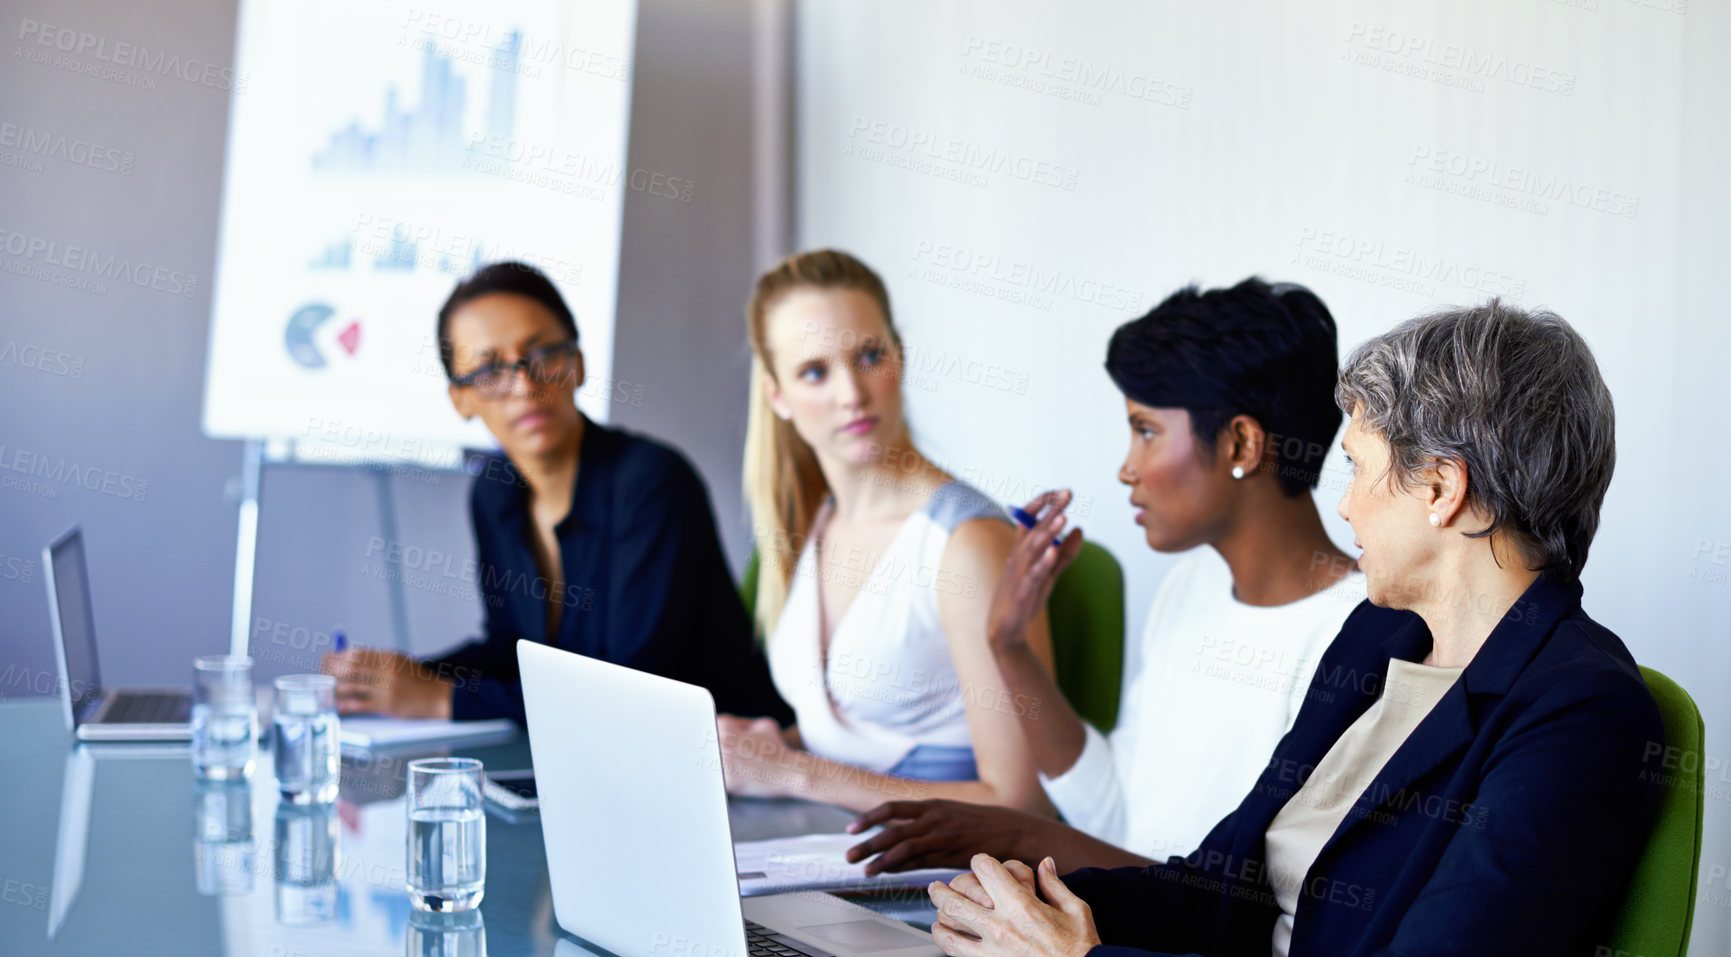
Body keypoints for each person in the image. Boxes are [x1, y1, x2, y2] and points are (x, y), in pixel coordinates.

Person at [923, 301, 1664, 957]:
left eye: (1356, 468)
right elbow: (1221, 887)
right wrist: (1033, 902)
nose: (1341, 505)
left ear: (1440, 487)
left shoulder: (1580, 713)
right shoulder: (1378, 638)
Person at [845, 278, 1364, 874]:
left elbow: (1240, 905)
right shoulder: (1187, 589)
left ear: (1241, 444)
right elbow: (1116, 820)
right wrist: (1008, 645)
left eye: (1146, 431)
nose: (1126, 469)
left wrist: (1020, 836)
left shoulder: (1354, 639)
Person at [324, 261, 787, 728]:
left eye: (543, 353)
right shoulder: (494, 491)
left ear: (578, 364)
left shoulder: (652, 482)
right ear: (460, 399)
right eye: (489, 370)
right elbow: (512, 650)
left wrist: (443, 699)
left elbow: (632, 693)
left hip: (735, 774)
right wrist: (394, 680)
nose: (525, 386)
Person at [717, 249, 1056, 813]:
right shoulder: (816, 520)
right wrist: (768, 748)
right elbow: (871, 742)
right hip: (831, 849)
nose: (851, 394)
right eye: (815, 371)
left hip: (942, 884)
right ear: (777, 396)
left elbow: (1022, 802)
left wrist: (793, 771)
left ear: (900, 356)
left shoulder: (967, 545)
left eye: (869, 356)